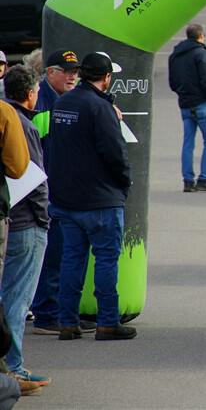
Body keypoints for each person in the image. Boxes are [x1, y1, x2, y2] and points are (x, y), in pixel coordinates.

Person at [49, 52, 135, 341]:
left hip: (67, 199)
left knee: (72, 261)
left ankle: (67, 322)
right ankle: (108, 322)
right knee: (106, 260)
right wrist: (125, 183)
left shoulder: (63, 104)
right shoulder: (100, 108)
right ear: (107, 77)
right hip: (101, 199)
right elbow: (115, 153)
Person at [30, 49, 86, 336]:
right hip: (45, 190)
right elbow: (39, 148)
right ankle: (46, 313)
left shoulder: (62, 99)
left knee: (63, 251)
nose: (72, 75)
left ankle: (59, 311)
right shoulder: (42, 101)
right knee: (52, 253)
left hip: (60, 188)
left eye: (75, 71)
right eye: (66, 70)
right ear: (50, 72)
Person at [1, 66, 50, 386]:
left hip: (9, 218)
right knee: (17, 300)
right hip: (24, 222)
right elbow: (28, 173)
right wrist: (44, 218)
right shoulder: (17, 122)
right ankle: (14, 367)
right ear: (32, 94)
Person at [168, 24, 206, 193]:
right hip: (203, 103)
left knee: (188, 142)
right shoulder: (201, 53)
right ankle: (205, 178)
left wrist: (183, 94)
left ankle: (188, 180)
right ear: (201, 36)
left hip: (185, 103)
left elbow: (173, 83)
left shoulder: (175, 55)